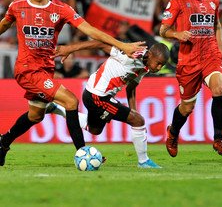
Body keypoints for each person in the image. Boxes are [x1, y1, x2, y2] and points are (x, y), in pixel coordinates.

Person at [0, 0, 145, 166]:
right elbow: (4, 25)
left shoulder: (61, 10)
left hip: (45, 69)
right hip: (26, 69)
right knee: (70, 101)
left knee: (35, 115)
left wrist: (122, 45)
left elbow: (91, 31)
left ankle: (3, 142)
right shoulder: (17, 7)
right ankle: (83, 153)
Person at [46, 40, 170, 168]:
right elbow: (99, 44)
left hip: (94, 95)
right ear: (149, 55)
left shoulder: (146, 66)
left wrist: (134, 111)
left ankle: (56, 109)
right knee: (139, 121)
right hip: (98, 96)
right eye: (159, 63)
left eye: (163, 65)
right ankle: (143, 161)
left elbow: (131, 87)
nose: (159, 67)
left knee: (95, 130)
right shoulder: (130, 54)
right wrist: (70, 48)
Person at [159, 0, 222, 157]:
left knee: (218, 88)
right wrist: (178, 34)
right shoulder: (177, 2)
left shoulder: (214, 0)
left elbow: (217, 26)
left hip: (210, 54)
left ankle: (218, 139)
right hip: (188, 60)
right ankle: (173, 132)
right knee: (187, 107)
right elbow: (163, 30)